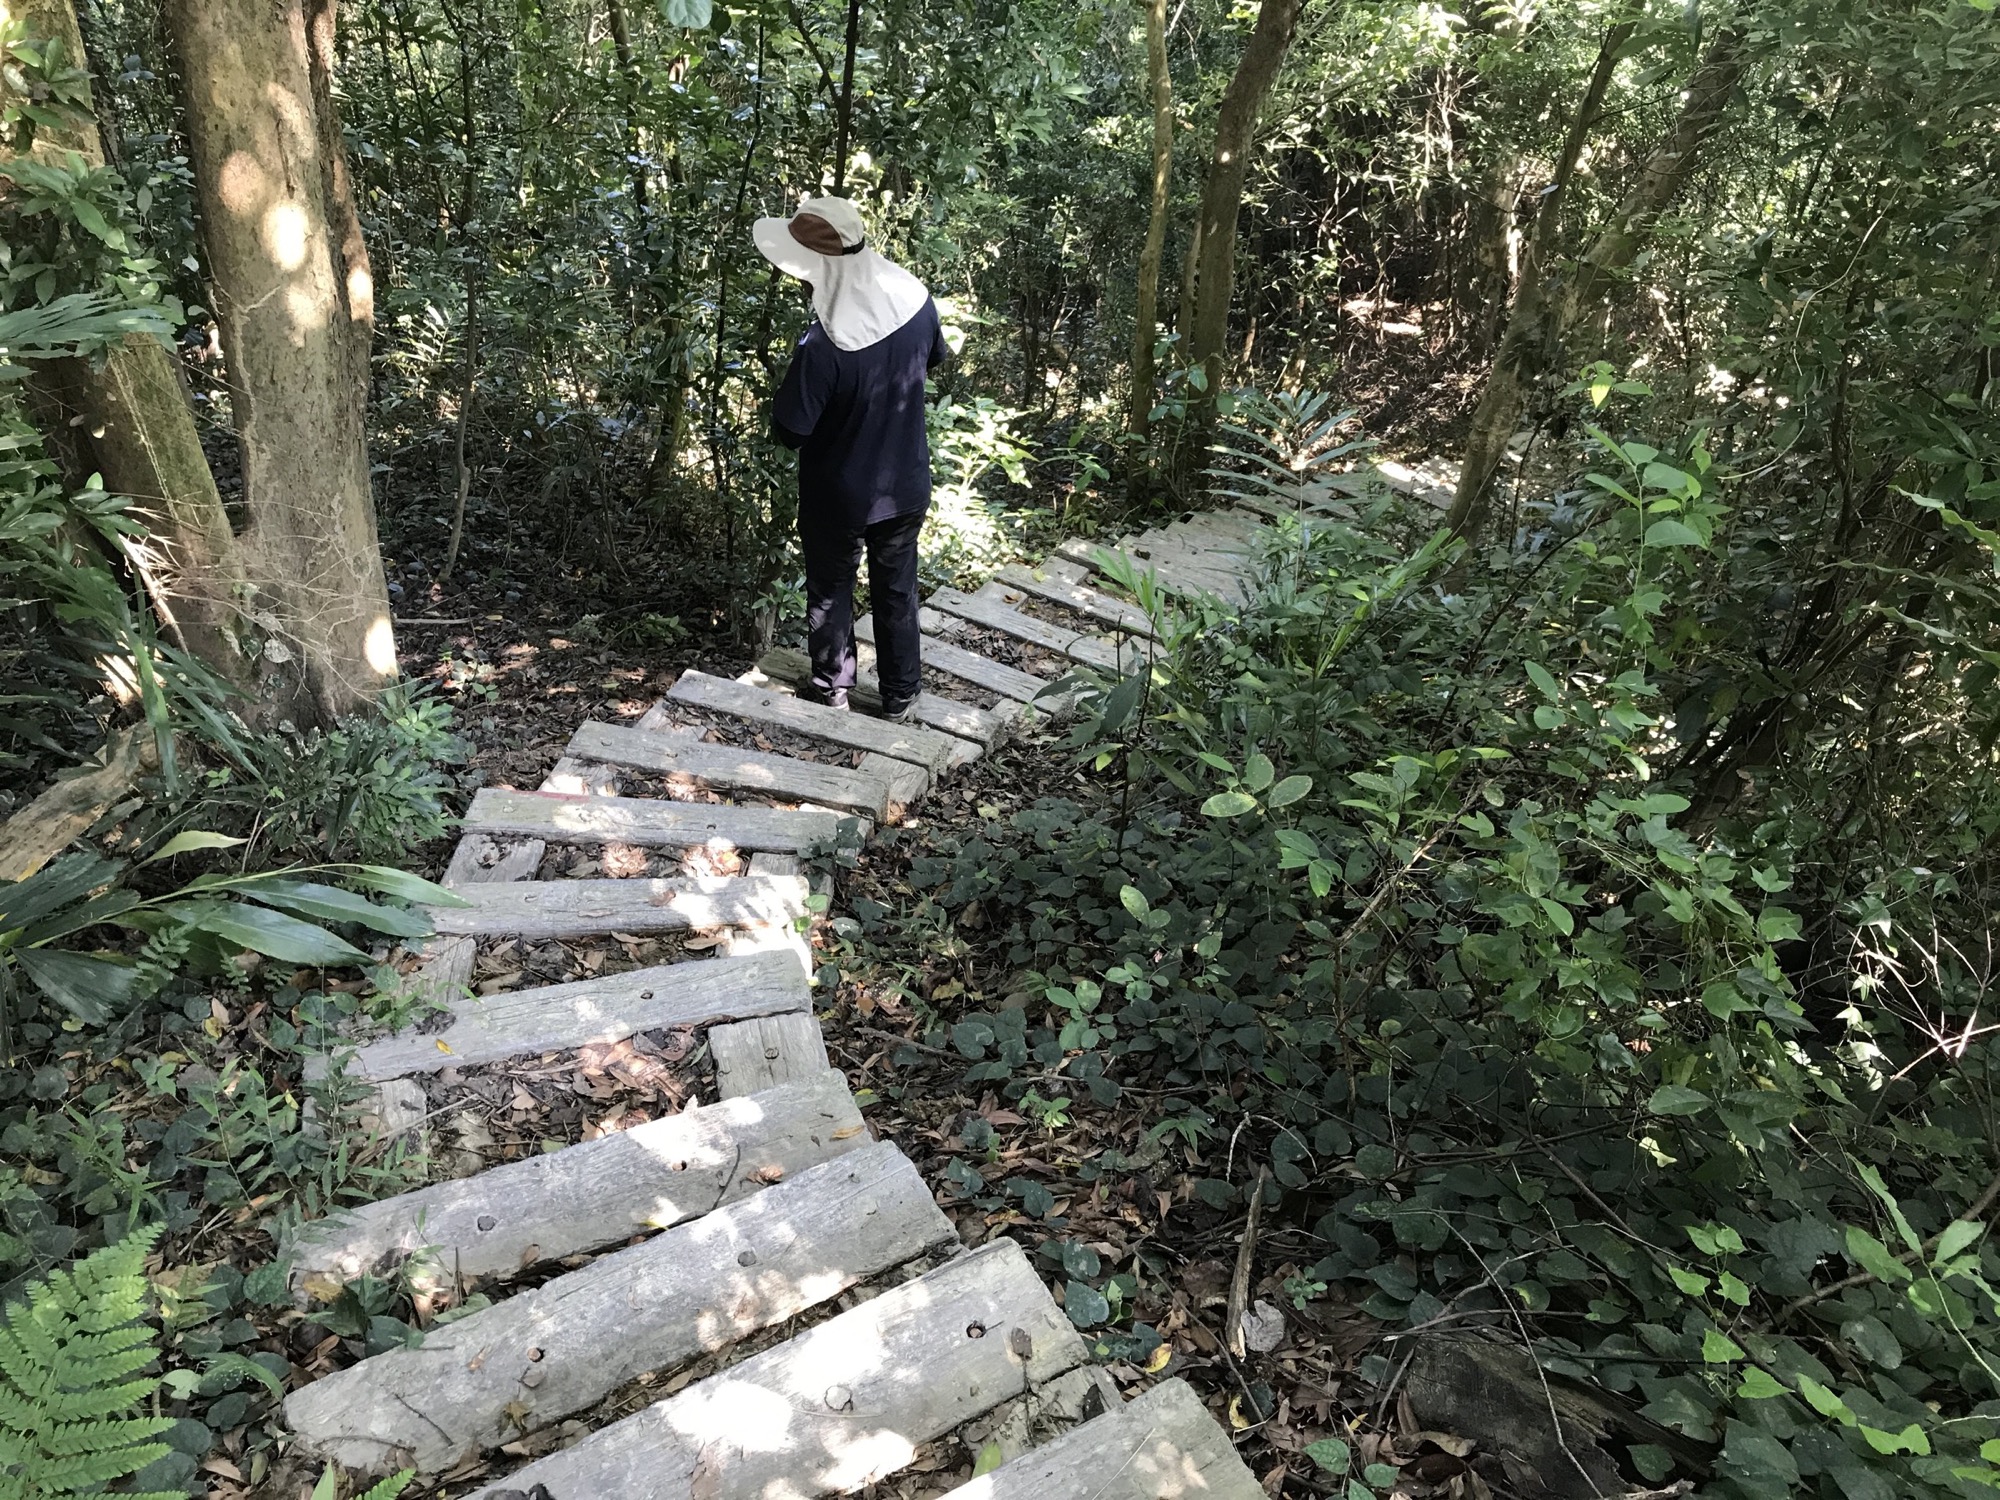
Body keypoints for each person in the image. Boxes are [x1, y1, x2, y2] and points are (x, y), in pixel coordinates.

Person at [755, 195, 948, 719]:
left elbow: (791, 430)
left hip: (837, 493)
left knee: (831, 585)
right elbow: (933, 358)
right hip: (904, 480)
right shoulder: (914, 300)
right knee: (896, 586)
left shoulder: (823, 345)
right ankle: (901, 692)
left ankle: (830, 688)